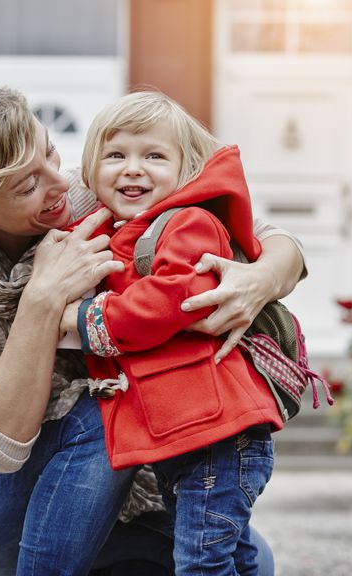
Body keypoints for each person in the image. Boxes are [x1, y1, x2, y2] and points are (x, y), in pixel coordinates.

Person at [0, 82, 308, 576]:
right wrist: (42, 303)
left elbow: (267, 237)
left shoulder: (95, 191)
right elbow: (0, 447)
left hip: (112, 483)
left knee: (251, 562)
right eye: (27, 186)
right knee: (106, 402)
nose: (58, 185)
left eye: (50, 151)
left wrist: (257, 282)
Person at [60, 92, 282, 576]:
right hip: (186, 437)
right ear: (90, 170)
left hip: (217, 439)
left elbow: (173, 297)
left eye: (154, 156)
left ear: (185, 172)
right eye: (115, 155)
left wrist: (86, 318)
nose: (133, 169)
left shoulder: (188, 222)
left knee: (201, 564)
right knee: (234, 558)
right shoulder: (119, 230)